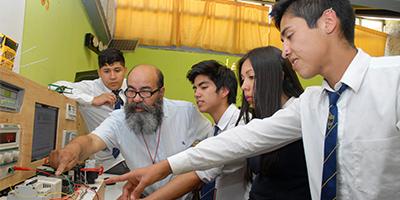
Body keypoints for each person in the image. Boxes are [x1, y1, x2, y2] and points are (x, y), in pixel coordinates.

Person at [105, 0, 400, 199]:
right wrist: (165, 166)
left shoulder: (393, 80)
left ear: (328, 22)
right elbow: (243, 140)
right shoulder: (312, 104)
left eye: (290, 35)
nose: (285, 50)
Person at [49, 64, 212, 197]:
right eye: (131, 91)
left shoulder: (185, 112)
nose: (137, 99)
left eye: (146, 91)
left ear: (161, 92)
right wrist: (72, 150)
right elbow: (91, 140)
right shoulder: (120, 118)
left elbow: (212, 141)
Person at [144, 60, 247, 200]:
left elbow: (198, 175)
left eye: (203, 87)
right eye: (195, 88)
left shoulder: (239, 125)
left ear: (224, 90)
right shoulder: (215, 130)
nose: (197, 94)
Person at [237, 46, 310, 200]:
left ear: (278, 76)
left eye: (251, 77)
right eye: (243, 79)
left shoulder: (300, 117)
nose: (244, 86)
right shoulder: (261, 118)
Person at [54, 48, 128, 173]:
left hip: (134, 155)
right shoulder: (91, 88)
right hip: (109, 162)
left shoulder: (132, 86)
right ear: (99, 72)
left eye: (117, 70)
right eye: (106, 71)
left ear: (125, 70)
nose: (113, 76)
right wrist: (92, 99)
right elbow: (55, 86)